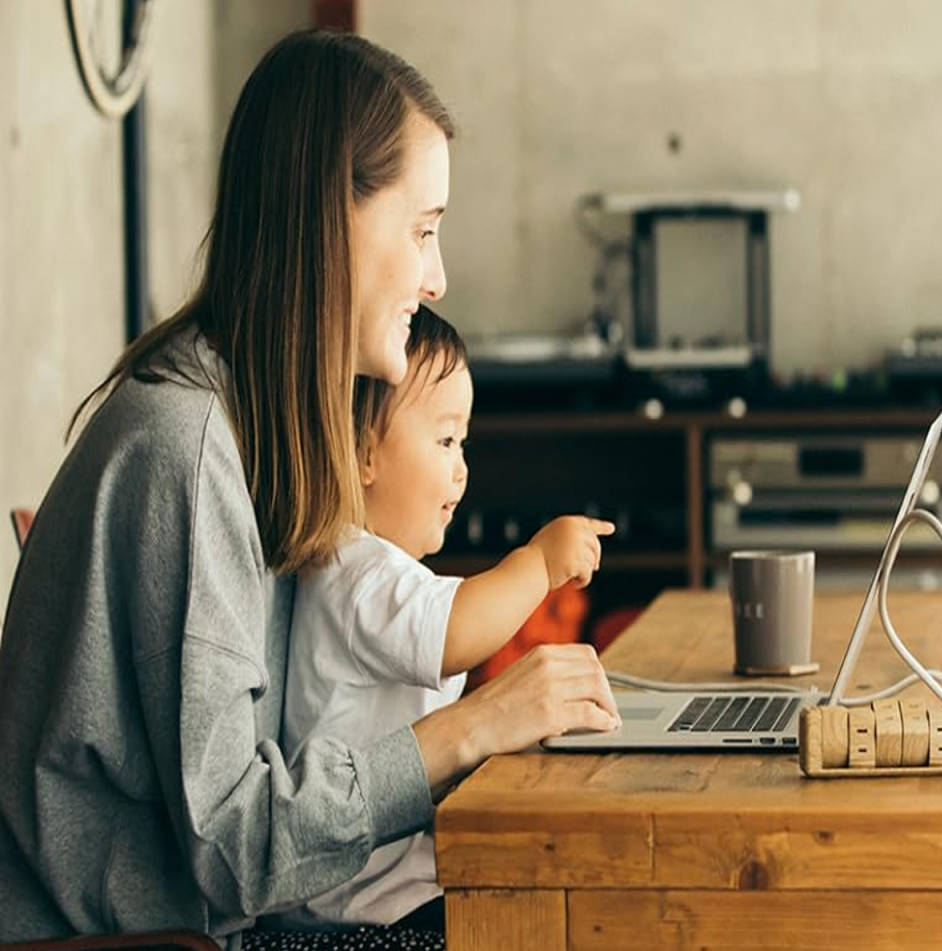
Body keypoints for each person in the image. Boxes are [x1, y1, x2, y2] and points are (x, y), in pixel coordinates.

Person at [0, 29, 618, 948]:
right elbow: (236, 847)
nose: (438, 274)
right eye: (423, 229)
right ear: (332, 217)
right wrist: (471, 728)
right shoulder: (187, 448)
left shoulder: (251, 427)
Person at [279, 307, 614, 927]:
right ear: (362, 454)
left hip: (384, 888)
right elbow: (458, 632)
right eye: (444, 440)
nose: (462, 467)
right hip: (364, 911)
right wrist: (538, 563)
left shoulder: (362, 567)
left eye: (463, 442)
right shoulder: (355, 573)